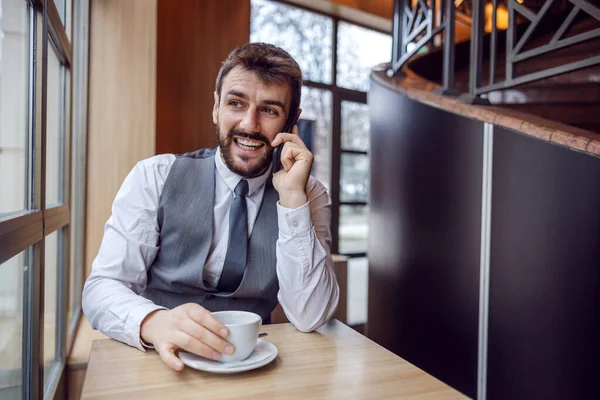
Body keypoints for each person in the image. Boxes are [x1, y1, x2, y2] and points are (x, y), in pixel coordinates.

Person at [82, 43, 339, 371]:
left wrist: (292, 202)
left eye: (270, 110)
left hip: (253, 365)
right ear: (216, 108)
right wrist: (154, 322)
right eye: (236, 103)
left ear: (291, 123)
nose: (250, 124)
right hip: (156, 361)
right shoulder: (154, 176)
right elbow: (102, 287)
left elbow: (311, 316)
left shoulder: (308, 194)